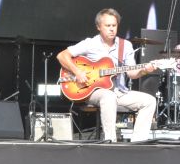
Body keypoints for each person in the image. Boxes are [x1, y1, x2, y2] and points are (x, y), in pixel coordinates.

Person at [57, 8, 158, 142]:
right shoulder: (90, 43)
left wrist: (145, 70)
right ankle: (110, 142)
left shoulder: (125, 45)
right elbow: (62, 56)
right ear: (99, 27)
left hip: (119, 92)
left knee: (150, 101)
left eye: (114, 25)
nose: (111, 29)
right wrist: (77, 72)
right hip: (94, 92)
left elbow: (132, 73)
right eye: (108, 25)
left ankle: (138, 142)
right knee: (108, 96)